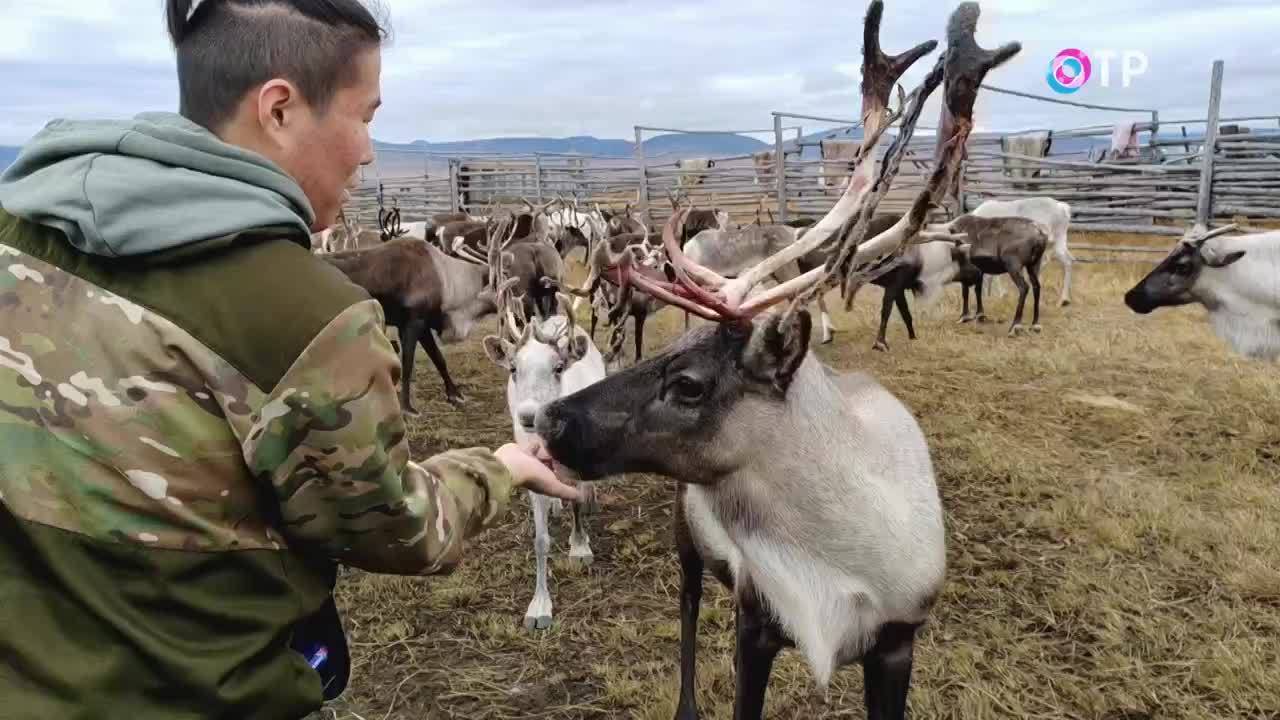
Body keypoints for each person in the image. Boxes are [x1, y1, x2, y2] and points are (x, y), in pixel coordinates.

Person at [0, 1, 578, 718]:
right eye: (365, 115)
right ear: (279, 110)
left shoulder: (19, 231)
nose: (369, 150)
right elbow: (398, 527)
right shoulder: (307, 319)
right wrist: (500, 467)